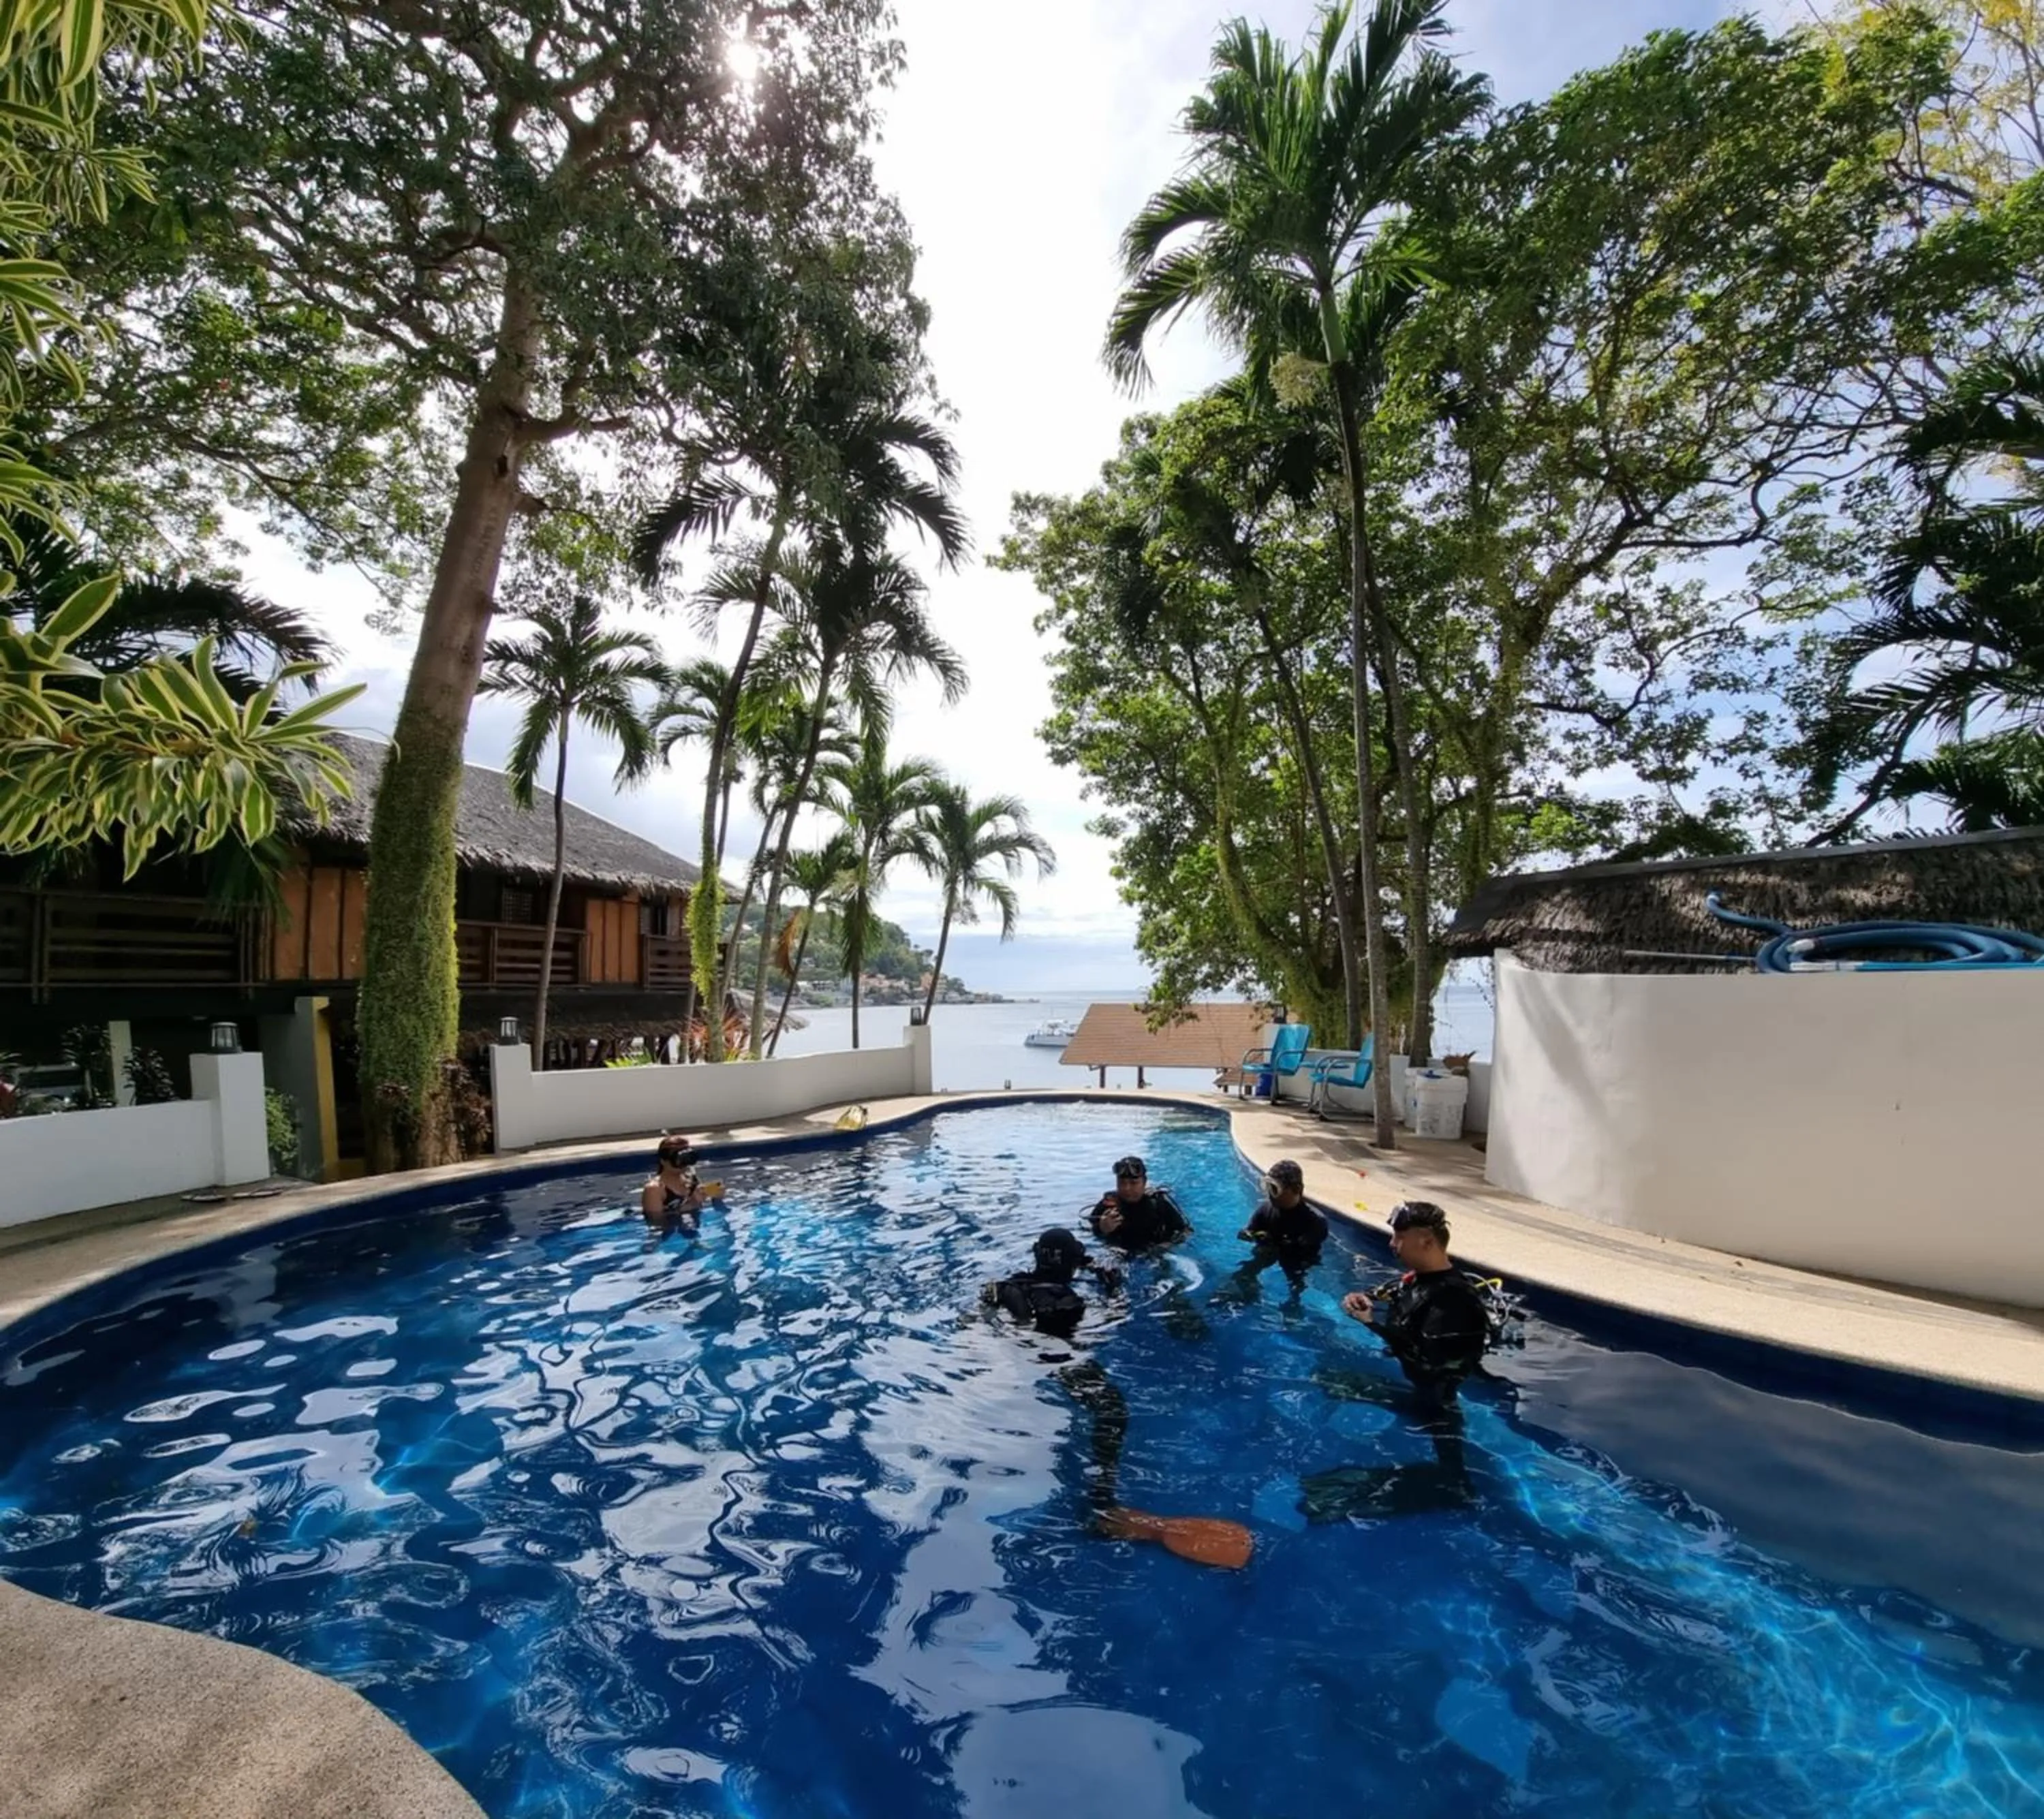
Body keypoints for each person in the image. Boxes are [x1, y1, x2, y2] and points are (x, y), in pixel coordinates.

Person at [1303, 1201, 1492, 1523]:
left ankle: (1456, 1487)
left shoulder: (1454, 1301)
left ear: (1427, 1241)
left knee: (1449, 1455)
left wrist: (1371, 1324)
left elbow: (1427, 1359)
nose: (1392, 1244)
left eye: (1399, 1237)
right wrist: (1362, 1297)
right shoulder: (1417, 1279)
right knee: (1330, 1378)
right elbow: (1388, 1293)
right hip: (1421, 1388)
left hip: (1438, 1395)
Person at [982, 1226, 1123, 1340]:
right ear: (1073, 1263)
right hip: (1049, 1350)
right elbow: (1106, 1325)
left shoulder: (1005, 1288)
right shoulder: (1068, 1303)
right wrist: (1114, 1293)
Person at [1237, 1159, 1327, 1290]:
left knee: (1296, 1282)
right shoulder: (1265, 1210)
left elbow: (1298, 1249)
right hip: (1267, 1253)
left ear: (1297, 1189)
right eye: (1268, 1187)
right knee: (1248, 1268)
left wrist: (1272, 1241)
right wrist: (1248, 1235)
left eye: (1275, 1189)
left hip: (1298, 1261)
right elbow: (1249, 1231)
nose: (1270, 1193)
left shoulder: (1316, 1222)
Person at [1087, 1155, 1191, 1252]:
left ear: (1144, 1183)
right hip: (1118, 1252)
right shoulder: (1108, 1204)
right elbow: (1088, 1230)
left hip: (1154, 1253)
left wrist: (1166, 1246)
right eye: (1122, 1183)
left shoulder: (1159, 1203)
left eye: (1133, 1183)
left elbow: (1186, 1231)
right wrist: (1102, 1229)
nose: (1127, 1189)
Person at [641, 1134, 705, 1232]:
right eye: (679, 1160)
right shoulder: (655, 1189)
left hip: (690, 1228)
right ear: (663, 1161)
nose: (684, 1164)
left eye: (687, 1158)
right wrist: (681, 1211)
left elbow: (699, 1211)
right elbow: (656, 1223)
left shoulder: (692, 1180)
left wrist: (716, 1198)